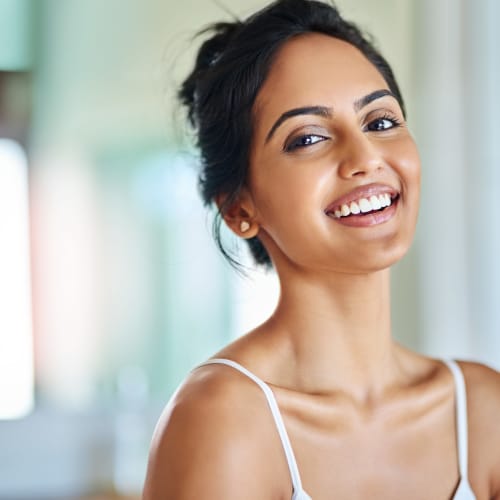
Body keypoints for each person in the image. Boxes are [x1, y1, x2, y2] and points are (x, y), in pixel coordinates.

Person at [143, 1, 500, 498]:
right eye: (308, 138)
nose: (365, 158)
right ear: (239, 208)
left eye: (379, 122)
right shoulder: (223, 421)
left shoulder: (483, 412)